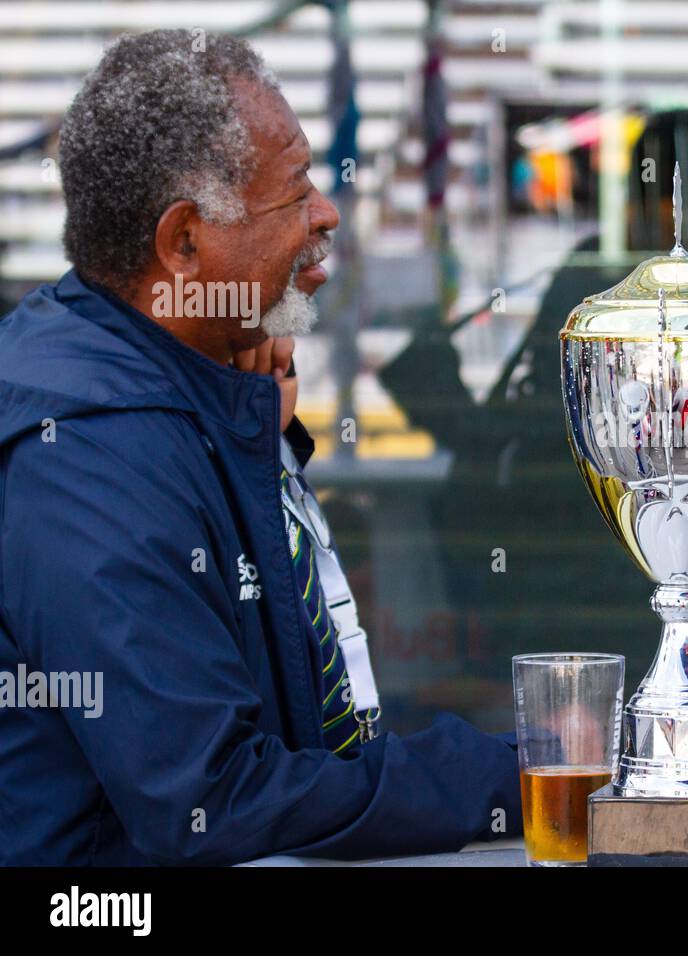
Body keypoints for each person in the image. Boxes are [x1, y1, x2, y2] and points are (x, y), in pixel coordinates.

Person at [0, 30, 520, 866]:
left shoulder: (177, 375)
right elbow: (214, 798)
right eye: (293, 196)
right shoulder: (89, 454)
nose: (327, 213)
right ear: (183, 244)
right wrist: (512, 779)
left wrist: (239, 411)